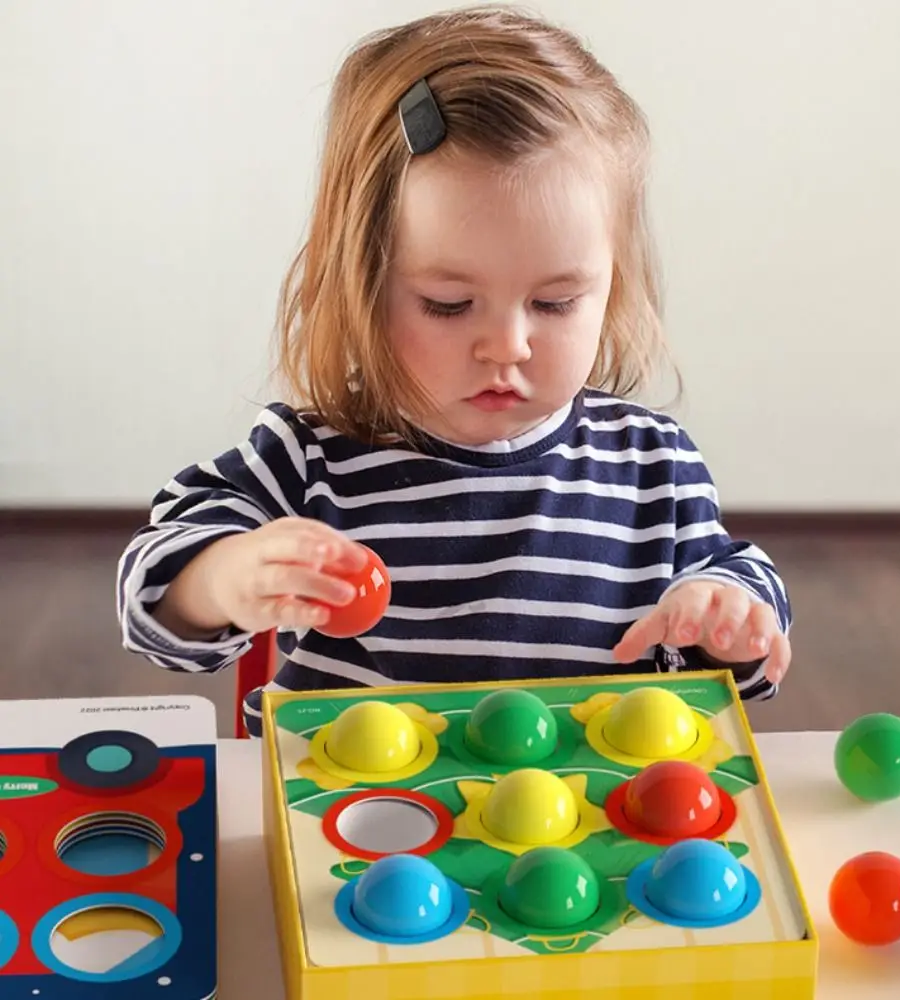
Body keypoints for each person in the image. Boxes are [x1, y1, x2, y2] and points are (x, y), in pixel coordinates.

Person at [116, 5, 792, 738]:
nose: (506, 345)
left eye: (555, 301)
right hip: (359, 830)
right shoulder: (308, 458)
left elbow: (745, 649)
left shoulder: (654, 468)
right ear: (365, 281)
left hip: (591, 833)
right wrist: (223, 577)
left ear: (613, 288)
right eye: (448, 304)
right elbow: (149, 594)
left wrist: (729, 614)